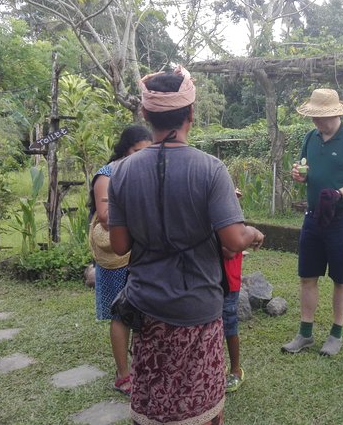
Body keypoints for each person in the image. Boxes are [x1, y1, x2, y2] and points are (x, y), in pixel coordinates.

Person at [108, 66, 264, 425]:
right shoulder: (211, 170)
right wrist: (253, 233)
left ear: (146, 115)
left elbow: (119, 246)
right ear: (191, 113)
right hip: (198, 306)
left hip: (147, 306)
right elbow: (233, 239)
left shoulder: (123, 172)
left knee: (154, 406)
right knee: (201, 407)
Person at [281, 88, 343, 356]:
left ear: (335, 113)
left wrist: (339, 193)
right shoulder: (311, 137)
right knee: (307, 276)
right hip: (313, 216)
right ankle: (305, 333)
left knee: (340, 277)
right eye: (314, 117)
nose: (317, 122)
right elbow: (304, 168)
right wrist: (299, 174)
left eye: (321, 117)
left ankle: (335, 334)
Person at [89, 124, 152, 395]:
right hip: (116, 255)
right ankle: (123, 375)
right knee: (120, 313)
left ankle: (138, 367)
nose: (142, 157)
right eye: (137, 151)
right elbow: (104, 215)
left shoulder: (142, 173)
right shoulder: (107, 174)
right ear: (126, 149)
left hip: (138, 252)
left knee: (139, 310)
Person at [223, 188, 245, 393]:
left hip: (228, 283)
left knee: (229, 325)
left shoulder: (234, 222)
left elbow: (230, 250)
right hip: (210, 283)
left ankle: (235, 369)